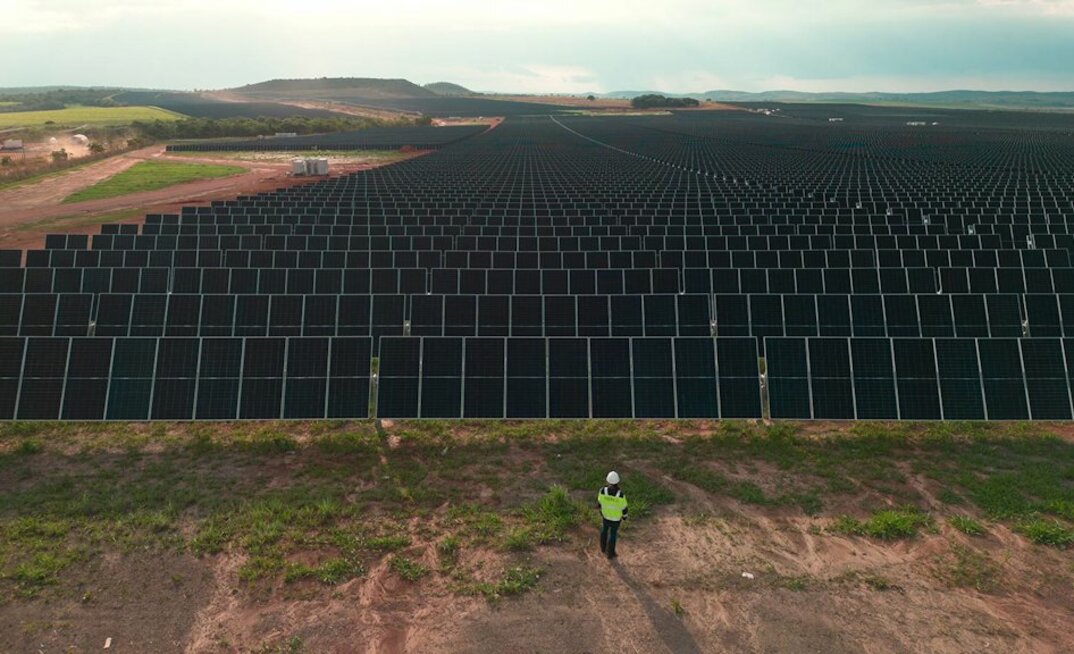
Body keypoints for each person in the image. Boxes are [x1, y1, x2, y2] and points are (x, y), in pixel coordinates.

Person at [597, 470, 628, 559]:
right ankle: (611, 553)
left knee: (604, 530)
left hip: (605, 516)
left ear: (607, 481)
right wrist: (625, 517)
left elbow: (599, 503)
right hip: (616, 519)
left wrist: (601, 511)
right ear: (617, 482)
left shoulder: (602, 491)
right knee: (613, 534)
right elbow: (624, 508)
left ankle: (603, 548)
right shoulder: (620, 495)